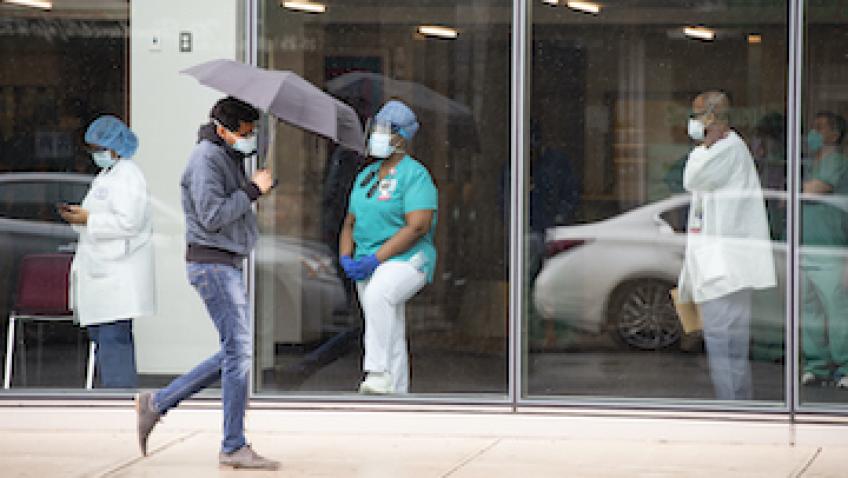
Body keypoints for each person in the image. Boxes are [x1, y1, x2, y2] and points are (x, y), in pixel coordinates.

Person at [133, 97, 279, 470]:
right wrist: (252, 192)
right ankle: (232, 445)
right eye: (244, 134)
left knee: (235, 353)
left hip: (223, 263)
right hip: (213, 266)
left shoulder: (225, 156)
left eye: (253, 132)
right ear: (223, 130)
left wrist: (253, 188)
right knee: (238, 353)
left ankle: (158, 403)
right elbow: (212, 215)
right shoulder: (206, 159)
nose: (250, 140)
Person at [677, 91, 776, 400]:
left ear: (711, 118)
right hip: (720, 262)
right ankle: (737, 403)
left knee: (723, 342)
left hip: (725, 265)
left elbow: (691, 177)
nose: (693, 124)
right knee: (728, 342)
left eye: (697, 116)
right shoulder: (723, 150)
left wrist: (701, 145)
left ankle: (731, 406)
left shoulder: (727, 150)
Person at [339, 100, 438, 394]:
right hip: (366, 260)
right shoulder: (366, 176)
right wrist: (346, 257)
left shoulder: (415, 175)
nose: (377, 136)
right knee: (387, 325)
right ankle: (396, 394)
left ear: (402, 136)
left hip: (408, 259)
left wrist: (376, 258)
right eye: (377, 129)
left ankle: (377, 371)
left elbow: (417, 225)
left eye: (386, 130)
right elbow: (349, 223)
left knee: (380, 294)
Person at [60, 115, 155, 388]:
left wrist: (88, 219)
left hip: (117, 276)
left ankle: (120, 403)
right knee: (106, 344)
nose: (96, 155)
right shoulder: (107, 176)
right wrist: (82, 217)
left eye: (100, 149)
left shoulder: (129, 175)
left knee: (115, 345)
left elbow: (129, 222)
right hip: (103, 274)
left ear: (117, 146)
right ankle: (114, 400)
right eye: (92, 150)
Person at [800, 111, 848, 388]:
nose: (812, 133)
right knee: (810, 310)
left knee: (837, 310)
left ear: (834, 134)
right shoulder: (811, 163)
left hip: (831, 248)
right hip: (805, 247)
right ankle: (816, 366)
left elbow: (815, 189)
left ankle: (844, 366)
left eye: (819, 128)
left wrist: (796, 189)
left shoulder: (837, 162)